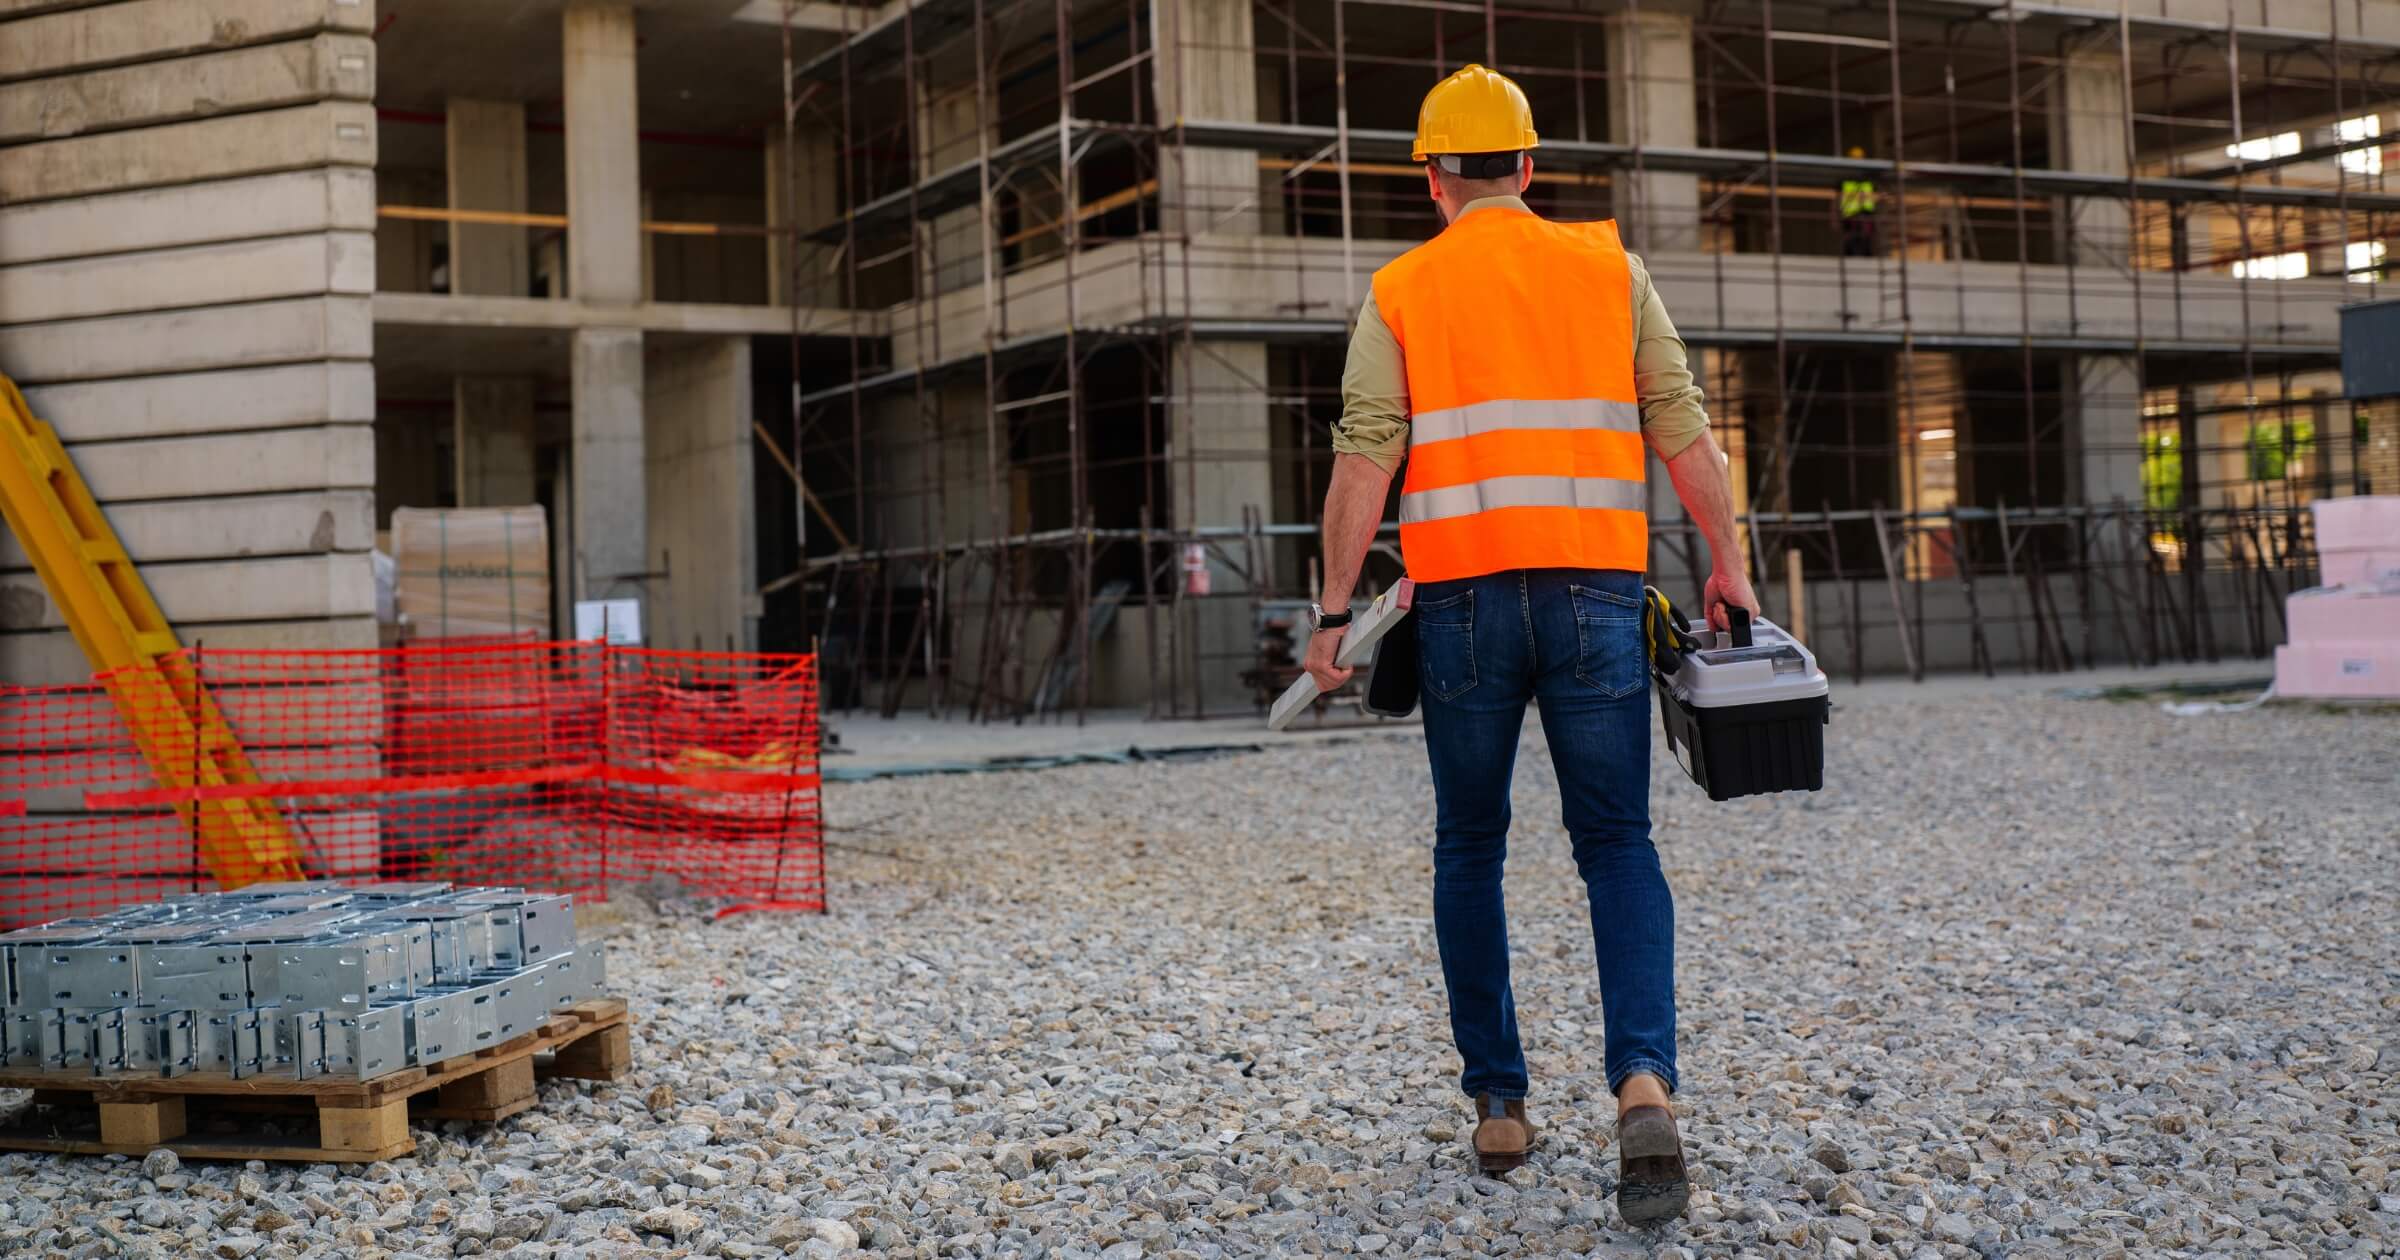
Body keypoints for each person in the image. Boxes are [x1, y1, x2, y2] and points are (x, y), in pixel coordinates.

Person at [1301, 63, 1758, 1226]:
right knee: (1615, 842)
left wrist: (1332, 615)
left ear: (1434, 178)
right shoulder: (1610, 267)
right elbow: (1680, 422)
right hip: (1599, 594)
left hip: (1457, 607)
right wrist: (1730, 559)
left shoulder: (1402, 286)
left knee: (1470, 846)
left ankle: (1499, 1102)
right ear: (1531, 166)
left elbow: (1367, 451)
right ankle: (1643, 1084)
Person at [1840, 146, 1879, 256]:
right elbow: (1837, 198)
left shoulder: (1869, 180)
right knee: (1850, 243)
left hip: (1866, 215)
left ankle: (1867, 258)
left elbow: (1875, 197)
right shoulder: (1845, 179)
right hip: (1850, 216)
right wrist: (1834, 216)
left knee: (1866, 242)